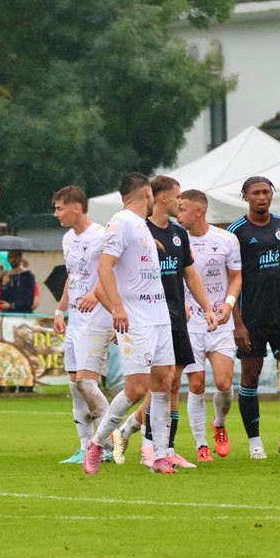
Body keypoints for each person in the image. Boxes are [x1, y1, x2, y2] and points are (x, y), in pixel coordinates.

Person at [110, 176, 218, 468]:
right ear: (162, 198)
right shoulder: (136, 229)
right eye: (178, 195)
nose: (181, 201)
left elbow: (190, 274)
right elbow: (111, 273)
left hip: (174, 316)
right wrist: (116, 311)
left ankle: (161, 447)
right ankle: (148, 447)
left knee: (171, 384)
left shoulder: (179, 234)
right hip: (146, 318)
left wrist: (206, 307)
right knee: (151, 385)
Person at [82, 172, 177, 475]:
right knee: (137, 388)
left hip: (159, 315)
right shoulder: (120, 221)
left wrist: (153, 248)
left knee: (164, 381)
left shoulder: (142, 227)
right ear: (148, 193)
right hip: (137, 319)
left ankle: (160, 456)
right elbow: (104, 267)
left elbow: (133, 261)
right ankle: (97, 444)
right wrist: (118, 308)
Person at [227, 176, 280, 459]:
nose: (262, 197)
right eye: (256, 193)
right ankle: (255, 445)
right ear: (245, 197)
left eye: (266, 192)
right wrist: (237, 322)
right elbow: (232, 279)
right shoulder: (235, 232)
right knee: (250, 377)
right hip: (251, 316)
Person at [174, 189, 242, 460]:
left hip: (220, 321)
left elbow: (236, 276)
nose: (178, 214)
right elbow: (174, 275)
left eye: (182, 209)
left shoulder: (227, 239)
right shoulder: (177, 239)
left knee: (224, 384)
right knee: (197, 384)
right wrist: (183, 303)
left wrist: (229, 303)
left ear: (198, 211)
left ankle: (220, 424)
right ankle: (201, 445)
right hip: (191, 324)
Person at [51, 185, 116, 464]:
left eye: (59, 208)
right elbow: (72, 276)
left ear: (76, 208)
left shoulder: (102, 236)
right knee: (75, 385)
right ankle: (84, 446)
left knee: (86, 383)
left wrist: (96, 293)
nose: (56, 214)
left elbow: (112, 271)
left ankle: (110, 443)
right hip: (75, 319)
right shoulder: (67, 239)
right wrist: (59, 309)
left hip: (98, 316)